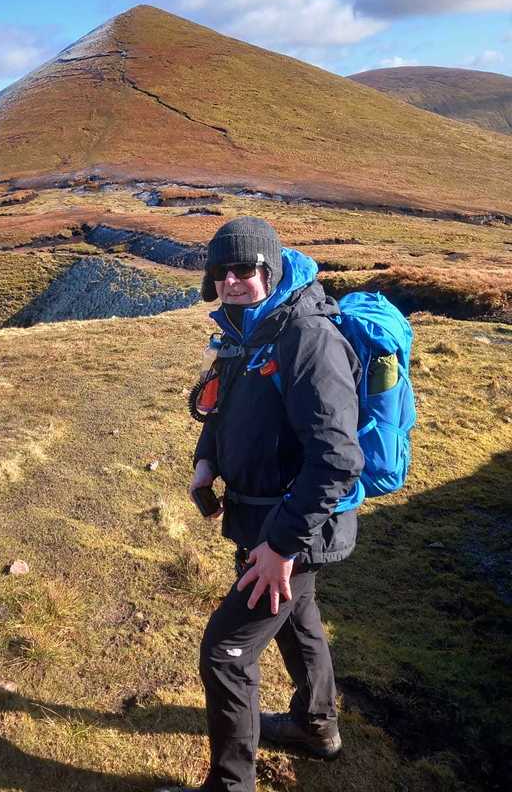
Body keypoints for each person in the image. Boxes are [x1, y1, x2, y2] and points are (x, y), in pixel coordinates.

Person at [162, 216, 364, 792]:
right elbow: (222, 407)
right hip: (262, 522)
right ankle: (316, 727)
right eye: (221, 271)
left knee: (224, 653)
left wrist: (279, 547)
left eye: (245, 269)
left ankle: (232, 785)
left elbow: (336, 459)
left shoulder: (307, 337)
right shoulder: (246, 327)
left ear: (270, 270)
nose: (232, 280)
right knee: (297, 621)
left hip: (291, 529)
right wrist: (208, 458)